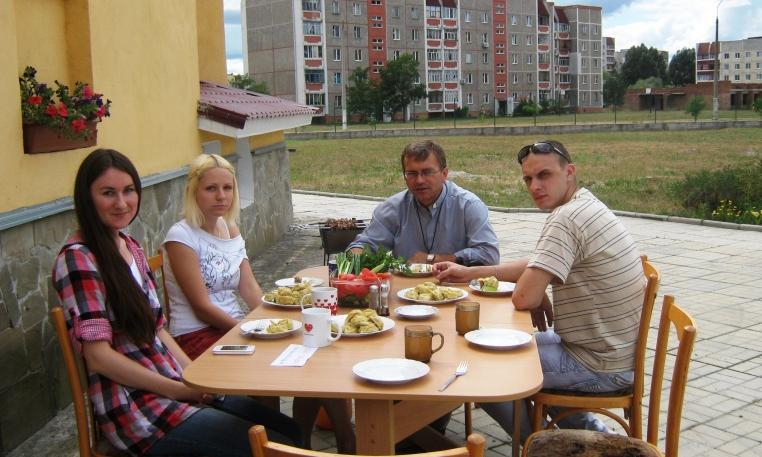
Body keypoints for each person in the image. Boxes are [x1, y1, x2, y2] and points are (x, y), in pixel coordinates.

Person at [52, 149, 301, 457]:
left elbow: (159, 331)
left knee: (290, 431)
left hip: (170, 383)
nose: (121, 203)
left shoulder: (129, 247)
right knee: (273, 446)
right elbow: (99, 357)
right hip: (136, 408)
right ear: (86, 198)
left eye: (128, 191)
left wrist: (194, 377)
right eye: (107, 193)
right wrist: (180, 390)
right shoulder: (79, 258)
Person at [434, 140, 646, 442]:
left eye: (544, 175)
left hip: (599, 366)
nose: (535, 186)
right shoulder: (584, 204)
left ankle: (540, 445)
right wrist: (470, 273)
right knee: (510, 348)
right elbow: (536, 264)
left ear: (569, 172)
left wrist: (535, 287)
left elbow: (523, 297)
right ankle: (595, 439)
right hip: (613, 355)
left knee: (489, 368)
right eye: (528, 179)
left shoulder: (567, 218)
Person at [163, 153, 355, 453]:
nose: (221, 196)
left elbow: (250, 287)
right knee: (274, 364)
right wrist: (250, 328)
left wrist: (279, 319)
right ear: (193, 191)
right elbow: (201, 306)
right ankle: (277, 441)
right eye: (211, 188)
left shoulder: (230, 228)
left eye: (227, 188)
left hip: (234, 327)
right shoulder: (181, 236)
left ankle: (322, 440)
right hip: (198, 336)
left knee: (314, 347)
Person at [348, 139, 499, 266]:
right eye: (412, 174)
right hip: (406, 290)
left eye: (427, 172)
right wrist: (357, 255)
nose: (419, 180)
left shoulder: (468, 205)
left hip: (457, 288)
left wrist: (432, 259)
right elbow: (365, 244)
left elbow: (490, 255)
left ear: (444, 174)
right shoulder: (392, 208)